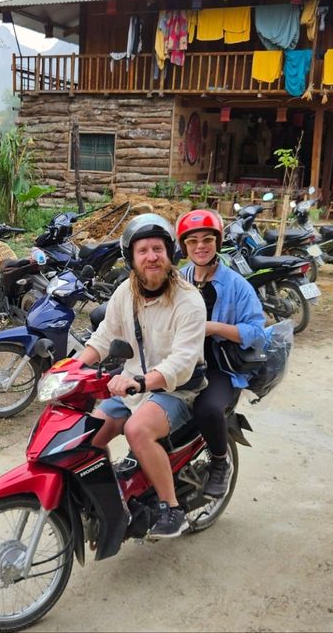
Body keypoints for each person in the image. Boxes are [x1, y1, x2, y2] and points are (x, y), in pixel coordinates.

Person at [77, 214, 207, 539]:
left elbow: (182, 361)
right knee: (86, 435)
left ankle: (171, 507)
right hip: (132, 386)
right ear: (131, 259)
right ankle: (106, 499)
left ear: (170, 253)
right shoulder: (125, 293)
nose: (151, 257)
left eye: (158, 249)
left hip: (177, 390)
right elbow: (104, 336)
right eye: (143, 250)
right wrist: (73, 369)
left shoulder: (189, 300)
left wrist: (142, 382)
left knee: (137, 430)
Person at [175, 209, 267, 499]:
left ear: (217, 242)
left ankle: (219, 462)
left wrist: (215, 328)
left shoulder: (237, 285)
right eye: (193, 242)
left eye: (207, 240)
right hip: (179, 362)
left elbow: (257, 332)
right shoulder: (177, 280)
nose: (200, 246)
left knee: (208, 408)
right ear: (184, 247)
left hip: (219, 368)